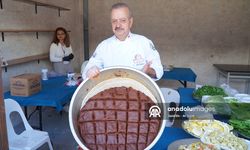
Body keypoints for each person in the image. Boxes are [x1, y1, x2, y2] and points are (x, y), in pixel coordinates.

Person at [82, 2, 163, 80]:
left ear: (130, 22)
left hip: (139, 91)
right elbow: (87, 71)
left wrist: (147, 71)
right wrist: (90, 71)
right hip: (111, 91)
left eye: (123, 20)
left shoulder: (144, 42)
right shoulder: (103, 46)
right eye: (114, 21)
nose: (118, 25)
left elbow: (158, 70)